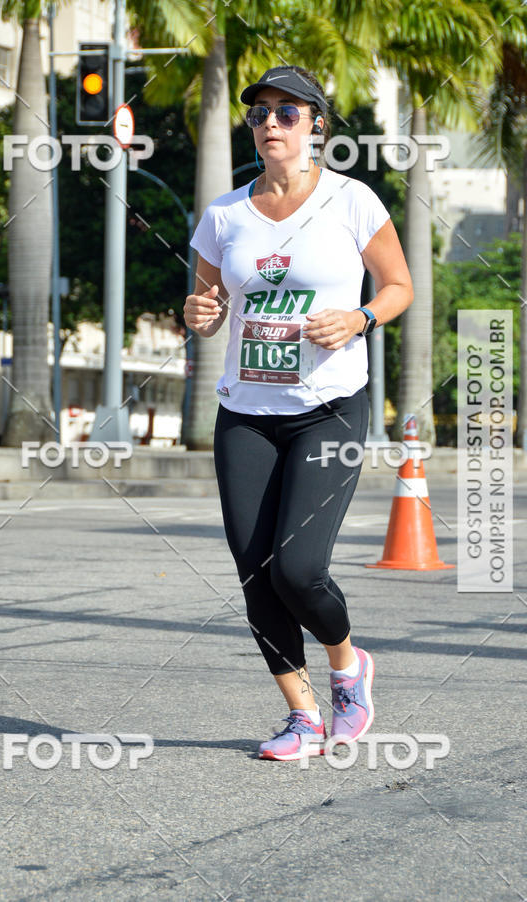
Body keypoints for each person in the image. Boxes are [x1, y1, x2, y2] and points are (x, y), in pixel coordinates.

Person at [184, 65, 413, 761]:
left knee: (298, 568)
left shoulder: (352, 201)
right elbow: (206, 309)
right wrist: (199, 314)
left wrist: (361, 317)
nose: (271, 124)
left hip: (329, 409)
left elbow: (399, 284)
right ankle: (303, 717)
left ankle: (349, 666)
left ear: (317, 125)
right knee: (255, 572)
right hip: (246, 413)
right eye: (260, 115)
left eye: (288, 112)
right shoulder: (224, 216)